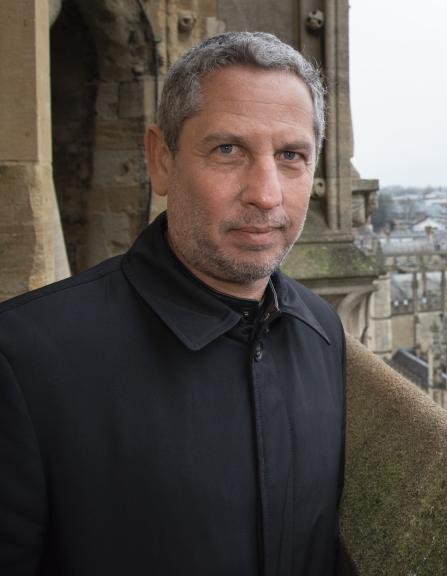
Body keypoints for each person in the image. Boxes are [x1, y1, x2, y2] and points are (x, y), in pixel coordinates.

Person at [0, 32, 346, 576]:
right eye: (229, 150)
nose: (266, 192)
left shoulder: (320, 330)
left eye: (290, 156)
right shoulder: (21, 360)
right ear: (161, 161)